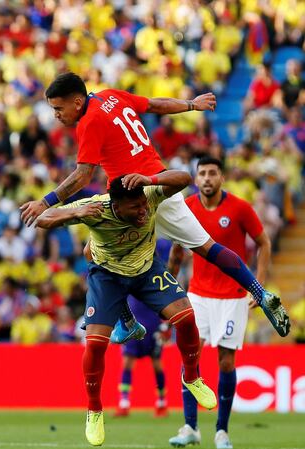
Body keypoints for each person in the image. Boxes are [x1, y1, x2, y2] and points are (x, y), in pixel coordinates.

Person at [20, 72, 290, 340]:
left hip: (131, 200)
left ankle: (127, 323)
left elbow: (83, 175)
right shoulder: (111, 95)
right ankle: (260, 293)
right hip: (161, 186)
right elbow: (154, 104)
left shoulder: (88, 122)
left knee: (94, 256)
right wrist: (192, 105)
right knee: (207, 248)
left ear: (77, 102)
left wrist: (45, 201)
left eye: (58, 108)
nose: (56, 115)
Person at [36, 170, 218, 447]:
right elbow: (42, 218)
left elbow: (183, 179)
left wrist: (150, 180)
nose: (144, 210)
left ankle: (192, 375)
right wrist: (78, 213)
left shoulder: (148, 194)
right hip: (107, 277)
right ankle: (95, 410)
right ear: (116, 205)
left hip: (146, 269)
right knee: (95, 345)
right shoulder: (97, 208)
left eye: (144, 204)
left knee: (185, 316)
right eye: (135, 207)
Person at [168, 157, 271, 449]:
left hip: (233, 296)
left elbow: (264, 243)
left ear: (222, 178)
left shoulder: (239, 208)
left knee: (226, 361)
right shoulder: (187, 208)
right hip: (197, 294)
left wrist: (258, 286)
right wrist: (168, 291)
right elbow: (176, 252)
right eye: (202, 173)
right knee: (191, 357)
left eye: (213, 173)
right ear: (196, 178)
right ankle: (190, 427)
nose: (207, 178)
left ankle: (221, 431)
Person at [114, 296, 170, 418]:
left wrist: (166, 325)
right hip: (132, 327)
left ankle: (161, 403)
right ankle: (124, 403)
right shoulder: (126, 281)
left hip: (153, 329)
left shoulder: (151, 280)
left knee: (157, 365)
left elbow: (167, 301)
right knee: (127, 363)